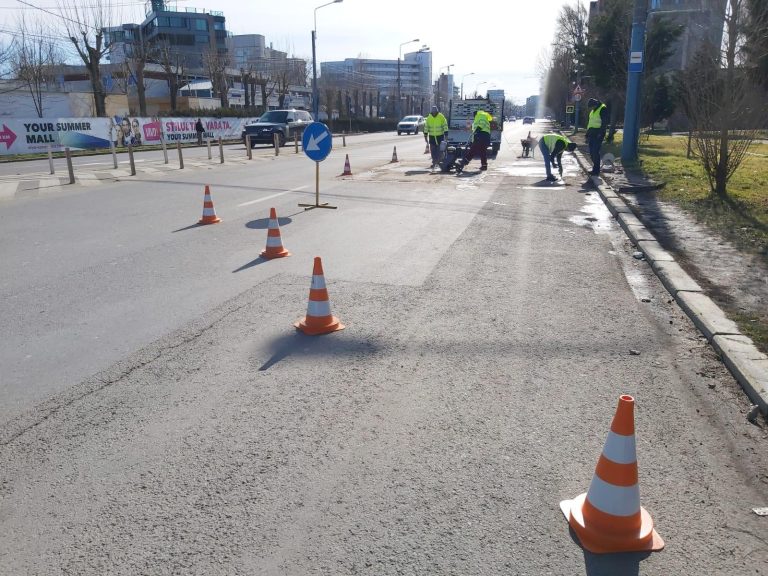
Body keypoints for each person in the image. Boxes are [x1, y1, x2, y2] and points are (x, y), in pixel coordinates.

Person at [455, 105, 493, 173]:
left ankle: (464, 161)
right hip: (484, 136)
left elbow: (482, 124)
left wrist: (477, 131)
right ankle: (484, 165)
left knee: (473, 150)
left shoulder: (480, 115)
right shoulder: (479, 117)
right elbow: (475, 126)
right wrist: (469, 129)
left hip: (481, 135)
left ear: (476, 113)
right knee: (482, 151)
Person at [586, 98, 608, 175]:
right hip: (591, 133)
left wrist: (601, 133)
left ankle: (596, 170)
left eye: (592, 107)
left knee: (595, 151)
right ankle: (595, 168)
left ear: (595, 105)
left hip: (598, 133)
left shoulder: (602, 108)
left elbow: (604, 122)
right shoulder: (593, 111)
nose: (591, 109)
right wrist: (587, 133)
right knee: (591, 152)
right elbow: (590, 123)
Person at [423, 105, 449, 169]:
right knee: (433, 151)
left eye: (435, 112)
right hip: (432, 137)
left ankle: (438, 162)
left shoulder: (441, 117)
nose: (434, 113)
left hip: (440, 137)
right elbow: (426, 127)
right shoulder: (429, 118)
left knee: (440, 151)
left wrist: (446, 134)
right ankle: (434, 162)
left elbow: (445, 126)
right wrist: (425, 136)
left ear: (437, 111)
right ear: (431, 112)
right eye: (433, 112)